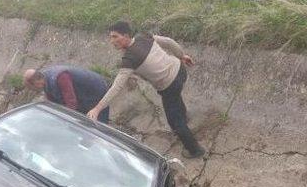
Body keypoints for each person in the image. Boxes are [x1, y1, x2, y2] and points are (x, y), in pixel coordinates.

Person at [87, 21, 205, 158]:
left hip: (169, 85)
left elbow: (116, 87)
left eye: (115, 37)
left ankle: (195, 150)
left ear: (125, 35)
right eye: (110, 37)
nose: (111, 41)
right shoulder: (143, 36)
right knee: (175, 99)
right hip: (180, 70)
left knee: (174, 121)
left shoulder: (129, 60)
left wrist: (97, 108)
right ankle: (184, 117)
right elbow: (168, 41)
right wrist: (182, 55)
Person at [23, 66, 110, 123]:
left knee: (97, 128)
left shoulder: (61, 77)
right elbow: (53, 105)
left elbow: (71, 103)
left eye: (33, 87)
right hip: (81, 97)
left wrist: (64, 121)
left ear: (36, 82)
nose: (35, 90)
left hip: (95, 92)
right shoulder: (46, 82)